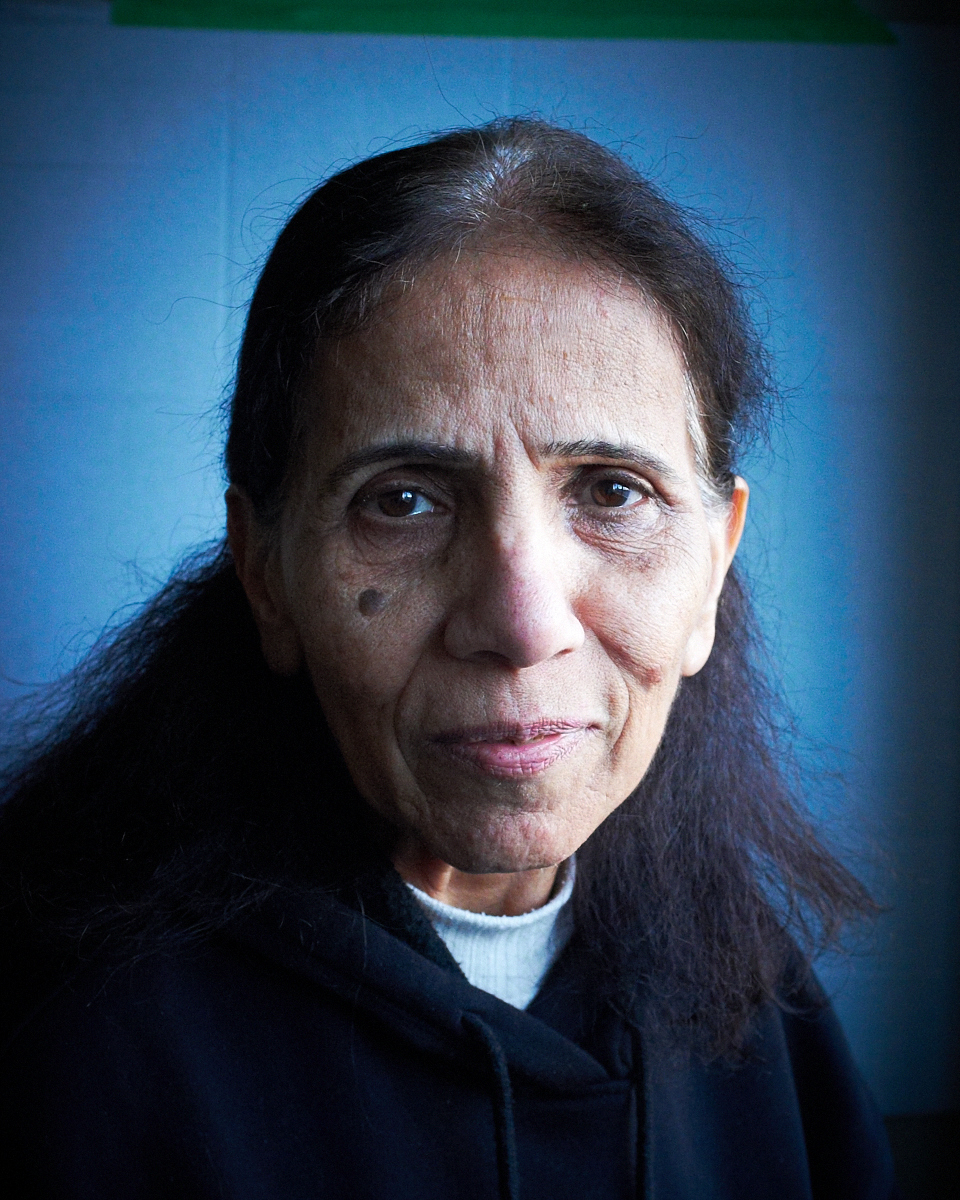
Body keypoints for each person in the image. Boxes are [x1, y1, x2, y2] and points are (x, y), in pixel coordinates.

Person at [0, 118, 896, 1199]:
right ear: (267, 574)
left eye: (613, 492)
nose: (521, 624)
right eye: (405, 501)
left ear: (713, 565)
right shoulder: (68, 1033)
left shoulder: (752, 999)